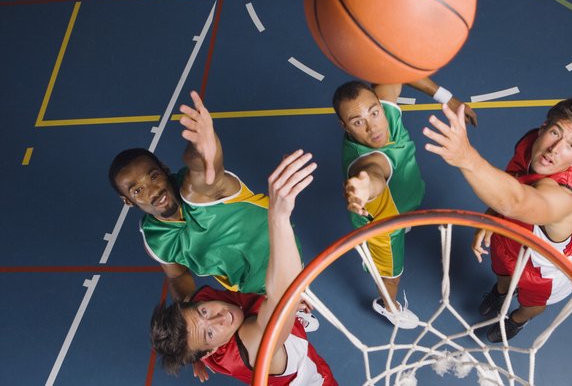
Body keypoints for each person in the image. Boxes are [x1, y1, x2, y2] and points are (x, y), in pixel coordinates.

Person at [423, 97, 572, 341]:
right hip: (510, 235)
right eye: (555, 132)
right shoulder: (531, 145)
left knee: (531, 304)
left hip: (544, 271)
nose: (555, 148)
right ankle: (500, 292)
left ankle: (518, 320)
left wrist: (467, 158)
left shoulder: (563, 199)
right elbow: (511, 182)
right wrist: (491, 216)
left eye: (571, 145)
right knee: (502, 275)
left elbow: (516, 201)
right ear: (543, 128)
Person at [150, 150, 337, 385]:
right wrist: (278, 216)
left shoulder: (196, 316)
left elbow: (191, 312)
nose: (220, 318)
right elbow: (283, 295)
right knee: (287, 300)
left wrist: (191, 352)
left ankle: (292, 317)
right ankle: (293, 318)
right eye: (209, 334)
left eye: (204, 312)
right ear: (210, 350)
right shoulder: (255, 345)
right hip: (310, 379)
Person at [109, 90, 301, 302]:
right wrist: (188, 311)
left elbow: (206, 171)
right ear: (128, 200)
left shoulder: (195, 191)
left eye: (153, 177)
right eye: (138, 190)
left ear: (164, 169)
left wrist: (203, 150)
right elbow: (178, 276)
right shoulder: (155, 240)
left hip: (285, 256)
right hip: (252, 293)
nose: (153, 191)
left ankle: (297, 304)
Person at [334, 78, 476, 329]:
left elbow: (398, 72)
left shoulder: (387, 106)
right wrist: (363, 188)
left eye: (374, 113)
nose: (372, 127)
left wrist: (449, 99)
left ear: (379, 103)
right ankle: (388, 305)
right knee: (392, 275)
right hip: (384, 227)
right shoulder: (367, 161)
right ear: (344, 126)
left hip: (404, 203)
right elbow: (373, 174)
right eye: (358, 123)